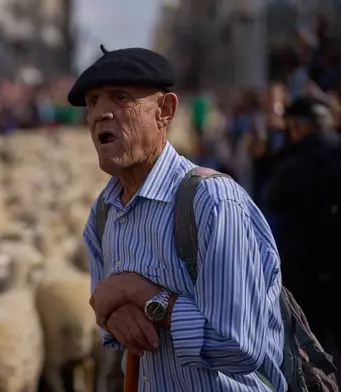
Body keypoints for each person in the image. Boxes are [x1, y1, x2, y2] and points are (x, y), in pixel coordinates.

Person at [71, 46, 286, 390]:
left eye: (121, 97)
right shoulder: (103, 213)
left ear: (165, 110)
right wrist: (113, 312)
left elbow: (241, 348)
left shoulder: (212, 202)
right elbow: (109, 322)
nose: (101, 113)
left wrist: (142, 293)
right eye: (93, 101)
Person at [265, 97, 341, 357]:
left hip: (304, 275)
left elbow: (272, 224)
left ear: (296, 126)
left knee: (312, 355)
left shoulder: (291, 166)